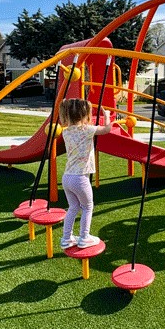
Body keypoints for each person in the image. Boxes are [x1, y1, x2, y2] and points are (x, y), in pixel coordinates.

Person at [58, 98, 117, 249]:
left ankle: (66, 238)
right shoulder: (88, 130)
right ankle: (84, 237)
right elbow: (107, 129)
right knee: (88, 206)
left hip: (67, 177)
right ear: (84, 114)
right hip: (80, 178)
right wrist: (107, 115)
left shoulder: (66, 133)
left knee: (73, 207)